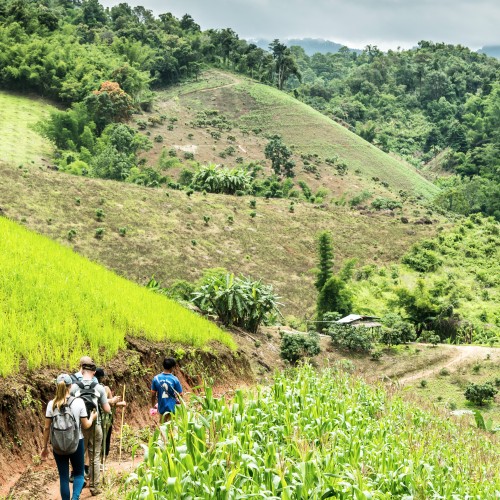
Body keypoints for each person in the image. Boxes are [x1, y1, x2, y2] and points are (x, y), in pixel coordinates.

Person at [41, 374, 97, 500]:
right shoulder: (78, 402)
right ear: (70, 386)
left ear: (57, 386)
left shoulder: (51, 404)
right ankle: (75, 498)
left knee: (64, 477)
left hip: (58, 445)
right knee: (79, 474)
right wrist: (92, 417)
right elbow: (86, 425)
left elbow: (46, 428)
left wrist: (44, 448)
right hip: (77, 442)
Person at [70, 363, 113, 496]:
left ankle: (80, 480)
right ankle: (94, 487)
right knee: (95, 456)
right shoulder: (99, 388)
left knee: (80, 455)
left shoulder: (74, 387)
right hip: (95, 424)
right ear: (94, 372)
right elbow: (107, 409)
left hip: (80, 426)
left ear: (82, 371)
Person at [94, 367, 126, 461]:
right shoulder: (104, 388)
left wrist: (118, 403)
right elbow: (111, 403)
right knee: (103, 439)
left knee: (101, 439)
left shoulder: (99, 388)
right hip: (104, 417)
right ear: (102, 377)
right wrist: (118, 402)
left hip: (101, 417)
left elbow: (111, 403)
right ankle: (100, 460)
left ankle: (98, 461)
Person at [151, 357, 183, 422]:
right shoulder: (174, 379)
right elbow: (180, 394)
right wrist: (180, 404)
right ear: (172, 367)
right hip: (172, 408)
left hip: (162, 408)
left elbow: (153, 394)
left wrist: (153, 405)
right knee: (172, 428)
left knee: (163, 427)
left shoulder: (156, 378)